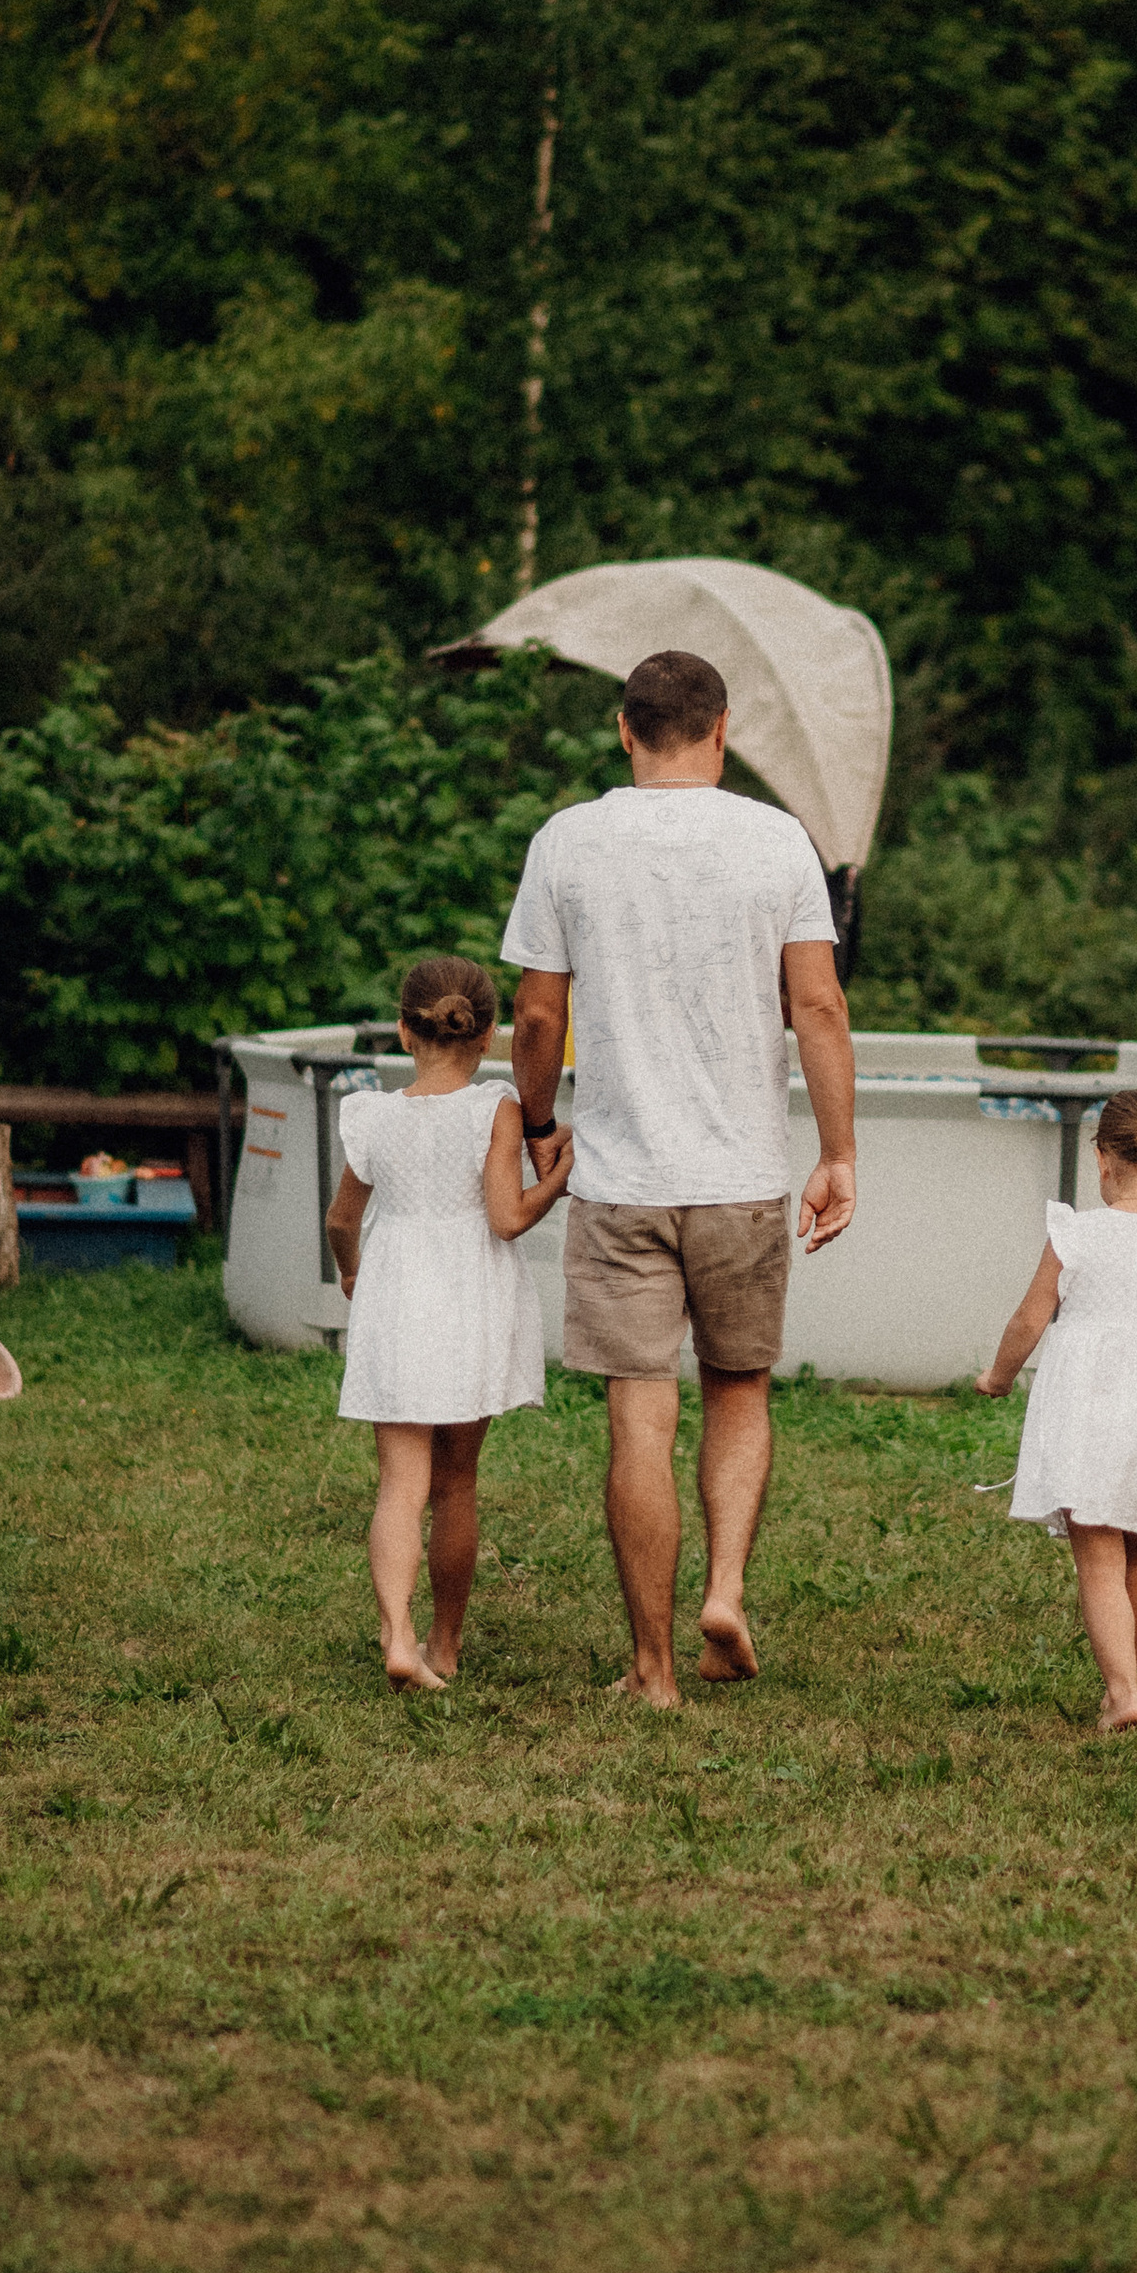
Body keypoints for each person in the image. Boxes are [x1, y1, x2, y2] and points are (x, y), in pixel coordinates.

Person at [503, 647, 858, 1708]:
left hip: (619, 1178)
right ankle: (728, 1592)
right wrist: (838, 1153)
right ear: (722, 728)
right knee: (738, 1392)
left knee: (638, 1415)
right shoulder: (775, 839)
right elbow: (820, 1009)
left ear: (623, 728)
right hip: (742, 1173)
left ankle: (652, 1669)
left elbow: (533, 1016)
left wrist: (533, 1122)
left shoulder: (568, 839)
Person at [324, 956, 572, 1695]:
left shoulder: (372, 1112)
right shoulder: (494, 1107)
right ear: (489, 1034)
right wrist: (558, 1178)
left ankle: (397, 1633)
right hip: (469, 1299)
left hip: (396, 1294)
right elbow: (505, 1216)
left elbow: (342, 1218)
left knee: (401, 1483)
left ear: (404, 1030)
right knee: (456, 1482)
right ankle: (446, 1642)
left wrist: (352, 1271)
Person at [978, 1088, 1137, 1732]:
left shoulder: (1076, 1232)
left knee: (1098, 1557)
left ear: (1102, 1162)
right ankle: (1127, 1684)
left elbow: (1029, 1318)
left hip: (1088, 1409)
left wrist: (998, 1376)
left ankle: (1122, 1692)